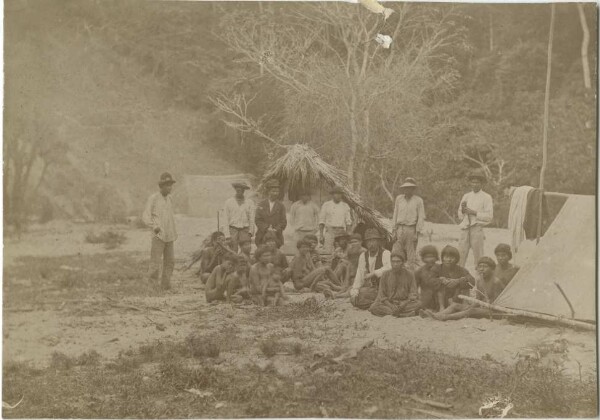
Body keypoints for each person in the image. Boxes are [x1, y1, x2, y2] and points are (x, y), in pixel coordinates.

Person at [422, 257, 505, 321]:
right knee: (455, 305)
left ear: (492, 268)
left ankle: (445, 317)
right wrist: (471, 306)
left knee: (470, 311)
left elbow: (498, 304)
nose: (482, 269)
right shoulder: (480, 280)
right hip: (482, 307)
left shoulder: (496, 282)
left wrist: (476, 307)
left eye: (485, 267)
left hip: (494, 311)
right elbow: (478, 299)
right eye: (480, 266)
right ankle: (437, 315)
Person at [142, 172, 178, 290]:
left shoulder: (170, 199)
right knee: (155, 262)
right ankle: (152, 285)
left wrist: (173, 231)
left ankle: (165, 285)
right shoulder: (153, 198)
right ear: (161, 186)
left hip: (169, 234)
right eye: (167, 185)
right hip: (158, 235)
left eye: (170, 185)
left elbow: (171, 217)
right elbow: (146, 216)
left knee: (170, 261)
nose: (169, 187)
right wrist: (154, 226)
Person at [457, 170, 494, 267]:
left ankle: (479, 281)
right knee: (460, 256)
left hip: (477, 229)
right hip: (465, 229)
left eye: (477, 182)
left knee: (479, 258)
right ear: (470, 183)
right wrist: (463, 211)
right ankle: (459, 280)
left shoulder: (486, 197)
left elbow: (489, 216)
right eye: (473, 182)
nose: (475, 184)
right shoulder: (466, 196)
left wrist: (473, 212)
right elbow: (460, 214)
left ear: (482, 183)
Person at [369, 251, 421, 317]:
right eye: (393, 261)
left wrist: (404, 303)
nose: (395, 264)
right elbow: (381, 295)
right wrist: (391, 306)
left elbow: (413, 293)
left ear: (403, 262)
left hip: (405, 303)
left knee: (419, 304)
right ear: (390, 262)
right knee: (374, 307)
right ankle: (403, 315)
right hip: (389, 303)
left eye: (398, 261)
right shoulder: (385, 274)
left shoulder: (410, 274)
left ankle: (396, 313)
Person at [350, 229, 392, 310]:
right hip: (375, 289)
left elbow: (390, 268)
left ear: (379, 242)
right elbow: (359, 275)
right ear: (365, 243)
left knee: (363, 294)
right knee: (355, 298)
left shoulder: (385, 253)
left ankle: (380, 303)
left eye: (374, 241)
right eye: (369, 241)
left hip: (388, 288)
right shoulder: (363, 256)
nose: (371, 244)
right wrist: (354, 292)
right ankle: (379, 303)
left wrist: (374, 273)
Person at [391, 177, 425, 270]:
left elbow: (421, 217)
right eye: (405, 188)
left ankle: (410, 276)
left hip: (411, 229)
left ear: (413, 189)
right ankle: (397, 273)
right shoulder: (399, 199)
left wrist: (417, 232)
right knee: (396, 252)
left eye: (410, 188)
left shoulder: (418, 200)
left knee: (411, 255)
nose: (407, 190)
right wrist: (394, 230)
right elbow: (395, 213)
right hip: (399, 229)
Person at [432, 245, 475, 310]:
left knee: (465, 283)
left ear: (456, 259)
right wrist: (441, 280)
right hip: (441, 300)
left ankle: (464, 306)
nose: (449, 260)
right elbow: (428, 280)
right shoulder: (437, 268)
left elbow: (472, 281)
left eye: (452, 257)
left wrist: (458, 281)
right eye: (446, 257)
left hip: (456, 299)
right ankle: (442, 308)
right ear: (442, 258)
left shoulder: (461, 270)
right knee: (440, 285)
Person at [319, 186, 352, 254]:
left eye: (340, 194)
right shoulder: (326, 205)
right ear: (332, 195)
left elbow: (348, 221)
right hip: (330, 231)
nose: (338, 196)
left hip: (341, 232)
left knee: (341, 251)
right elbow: (321, 220)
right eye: (336, 194)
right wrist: (321, 235)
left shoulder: (345, 206)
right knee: (328, 251)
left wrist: (348, 232)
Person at [223, 181, 255, 253]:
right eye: (238, 189)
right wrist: (227, 235)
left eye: (241, 189)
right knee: (233, 251)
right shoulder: (229, 202)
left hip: (245, 230)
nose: (239, 190)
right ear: (235, 189)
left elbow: (252, 218)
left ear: (244, 190)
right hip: (232, 229)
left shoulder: (249, 202)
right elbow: (225, 219)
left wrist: (250, 231)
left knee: (246, 250)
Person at [255, 179, 287, 248]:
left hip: (276, 236)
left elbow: (283, 221)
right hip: (262, 235)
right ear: (268, 192)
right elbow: (258, 220)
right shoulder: (261, 204)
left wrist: (275, 229)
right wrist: (266, 228)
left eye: (277, 191)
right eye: (273, 191)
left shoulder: (281, 206)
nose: (275, 193)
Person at [414, 245, 444, 311]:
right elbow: (415, 288)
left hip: (440, 300)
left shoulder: (441, 268)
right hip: (425, 300)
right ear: (423, 258)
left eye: (432, 256)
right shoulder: (419, 271)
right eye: (427, 257)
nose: (430, 259)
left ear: (436, 258)